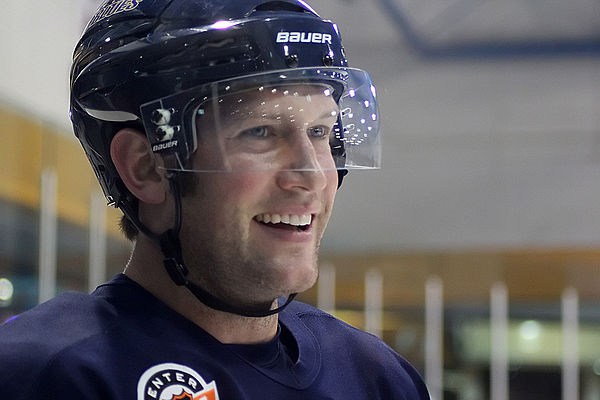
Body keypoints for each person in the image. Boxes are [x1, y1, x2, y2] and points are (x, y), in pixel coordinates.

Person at [0, 0, 429, 399]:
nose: (314, 175)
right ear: (147, 166)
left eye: (319, 132)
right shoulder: (49, 376)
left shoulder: (377, 378)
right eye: (260, 131)